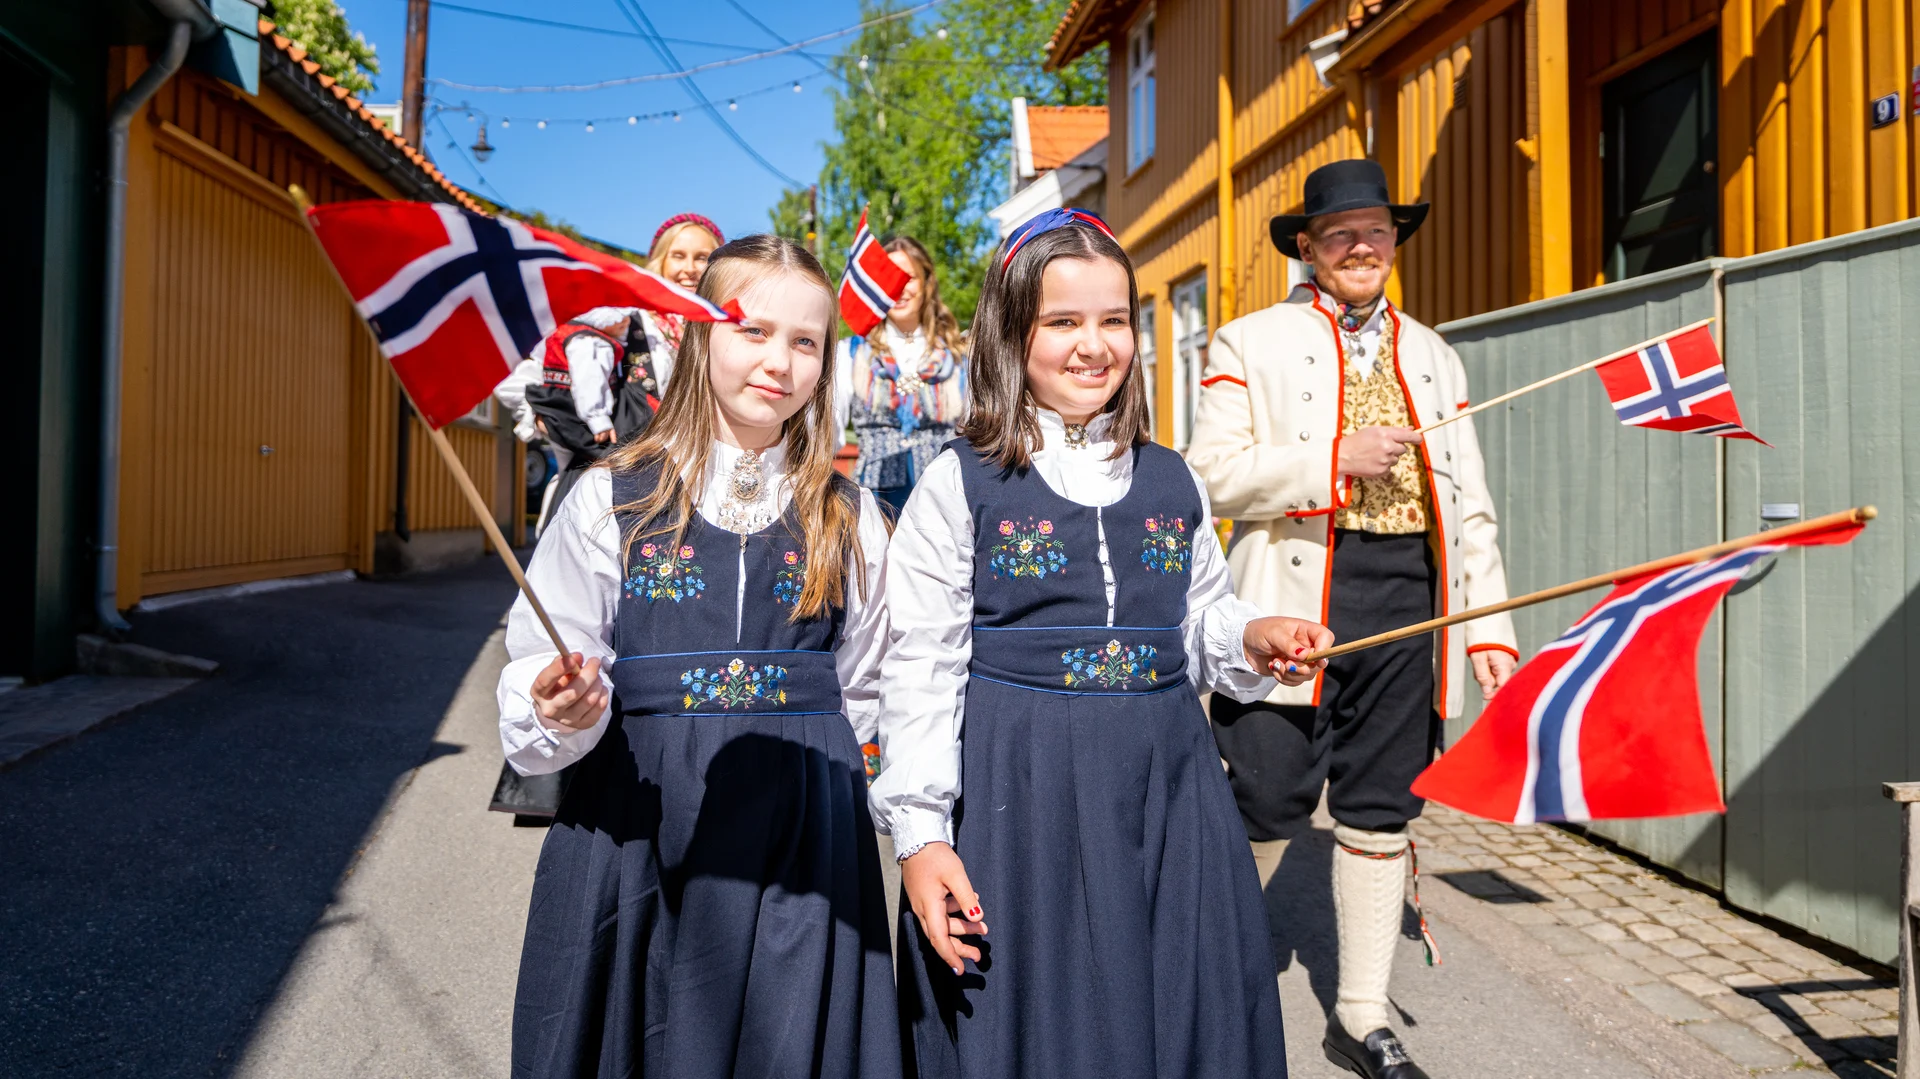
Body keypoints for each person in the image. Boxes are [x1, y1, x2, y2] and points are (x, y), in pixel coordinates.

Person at [873, 208, 1332, 1079]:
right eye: (1063, 321)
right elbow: (921, 667)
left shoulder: (1171, 473)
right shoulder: (959, 480)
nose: (1095, 344)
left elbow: (1197, 622)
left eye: (1114, 319)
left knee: (1177, 1012)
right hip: (1023, 794)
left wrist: (1254, 634)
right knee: (1049, 1028)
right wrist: (922, 834)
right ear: (1012, 333)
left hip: (1169, 789)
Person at [498, 235, 900, 1079]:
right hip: (639, 828)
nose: (779, 361)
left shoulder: (850, 517)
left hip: (803, 844)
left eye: (805, 342)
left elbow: (866, 684)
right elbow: (548, 657)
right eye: (751, 329)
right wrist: (557, 704)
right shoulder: (611, 498)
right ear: (697, 336)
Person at [1185, 158, 1520, 1079]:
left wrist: (1487, 625)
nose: (1363, 246)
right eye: (1342, 234)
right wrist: (1330, 457)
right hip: (1293, 603)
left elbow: (1470, 503)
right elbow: (1204, 472)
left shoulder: (1435, 353)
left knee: (1382, 805)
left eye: (1377, 230)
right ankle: (1207, 969)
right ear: (1308, 246)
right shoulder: (1246, 342)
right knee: (1267, 789)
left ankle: (1361, 1012)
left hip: (1412, 598)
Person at [831, 235, 967, 514]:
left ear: (927, 283)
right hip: (874, 503)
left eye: (909, 277)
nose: (898, 287)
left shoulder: (959, 358)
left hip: (945, 503)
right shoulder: (850, 353)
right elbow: (828, 429)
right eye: (888, 277)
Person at [633, 212, 724, 385]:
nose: (690, 268)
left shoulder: (729, 329)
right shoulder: (631, 323)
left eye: (702, 258)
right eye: (678, 256)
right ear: (661, 261)